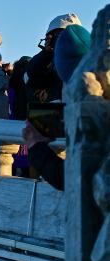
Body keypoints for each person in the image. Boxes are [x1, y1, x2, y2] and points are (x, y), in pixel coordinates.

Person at [25, 21, 90, 190]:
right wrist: (47, 52)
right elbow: (30, 78)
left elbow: (74, 180)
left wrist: (36, 147)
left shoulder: (88, 109)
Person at [26, 13, 82, 103]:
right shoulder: (50, 59)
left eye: (61, 34)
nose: (59, 39)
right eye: (54, 35)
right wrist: (46, 53)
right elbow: (32, 75)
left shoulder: (85, 57)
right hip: (54, 111)